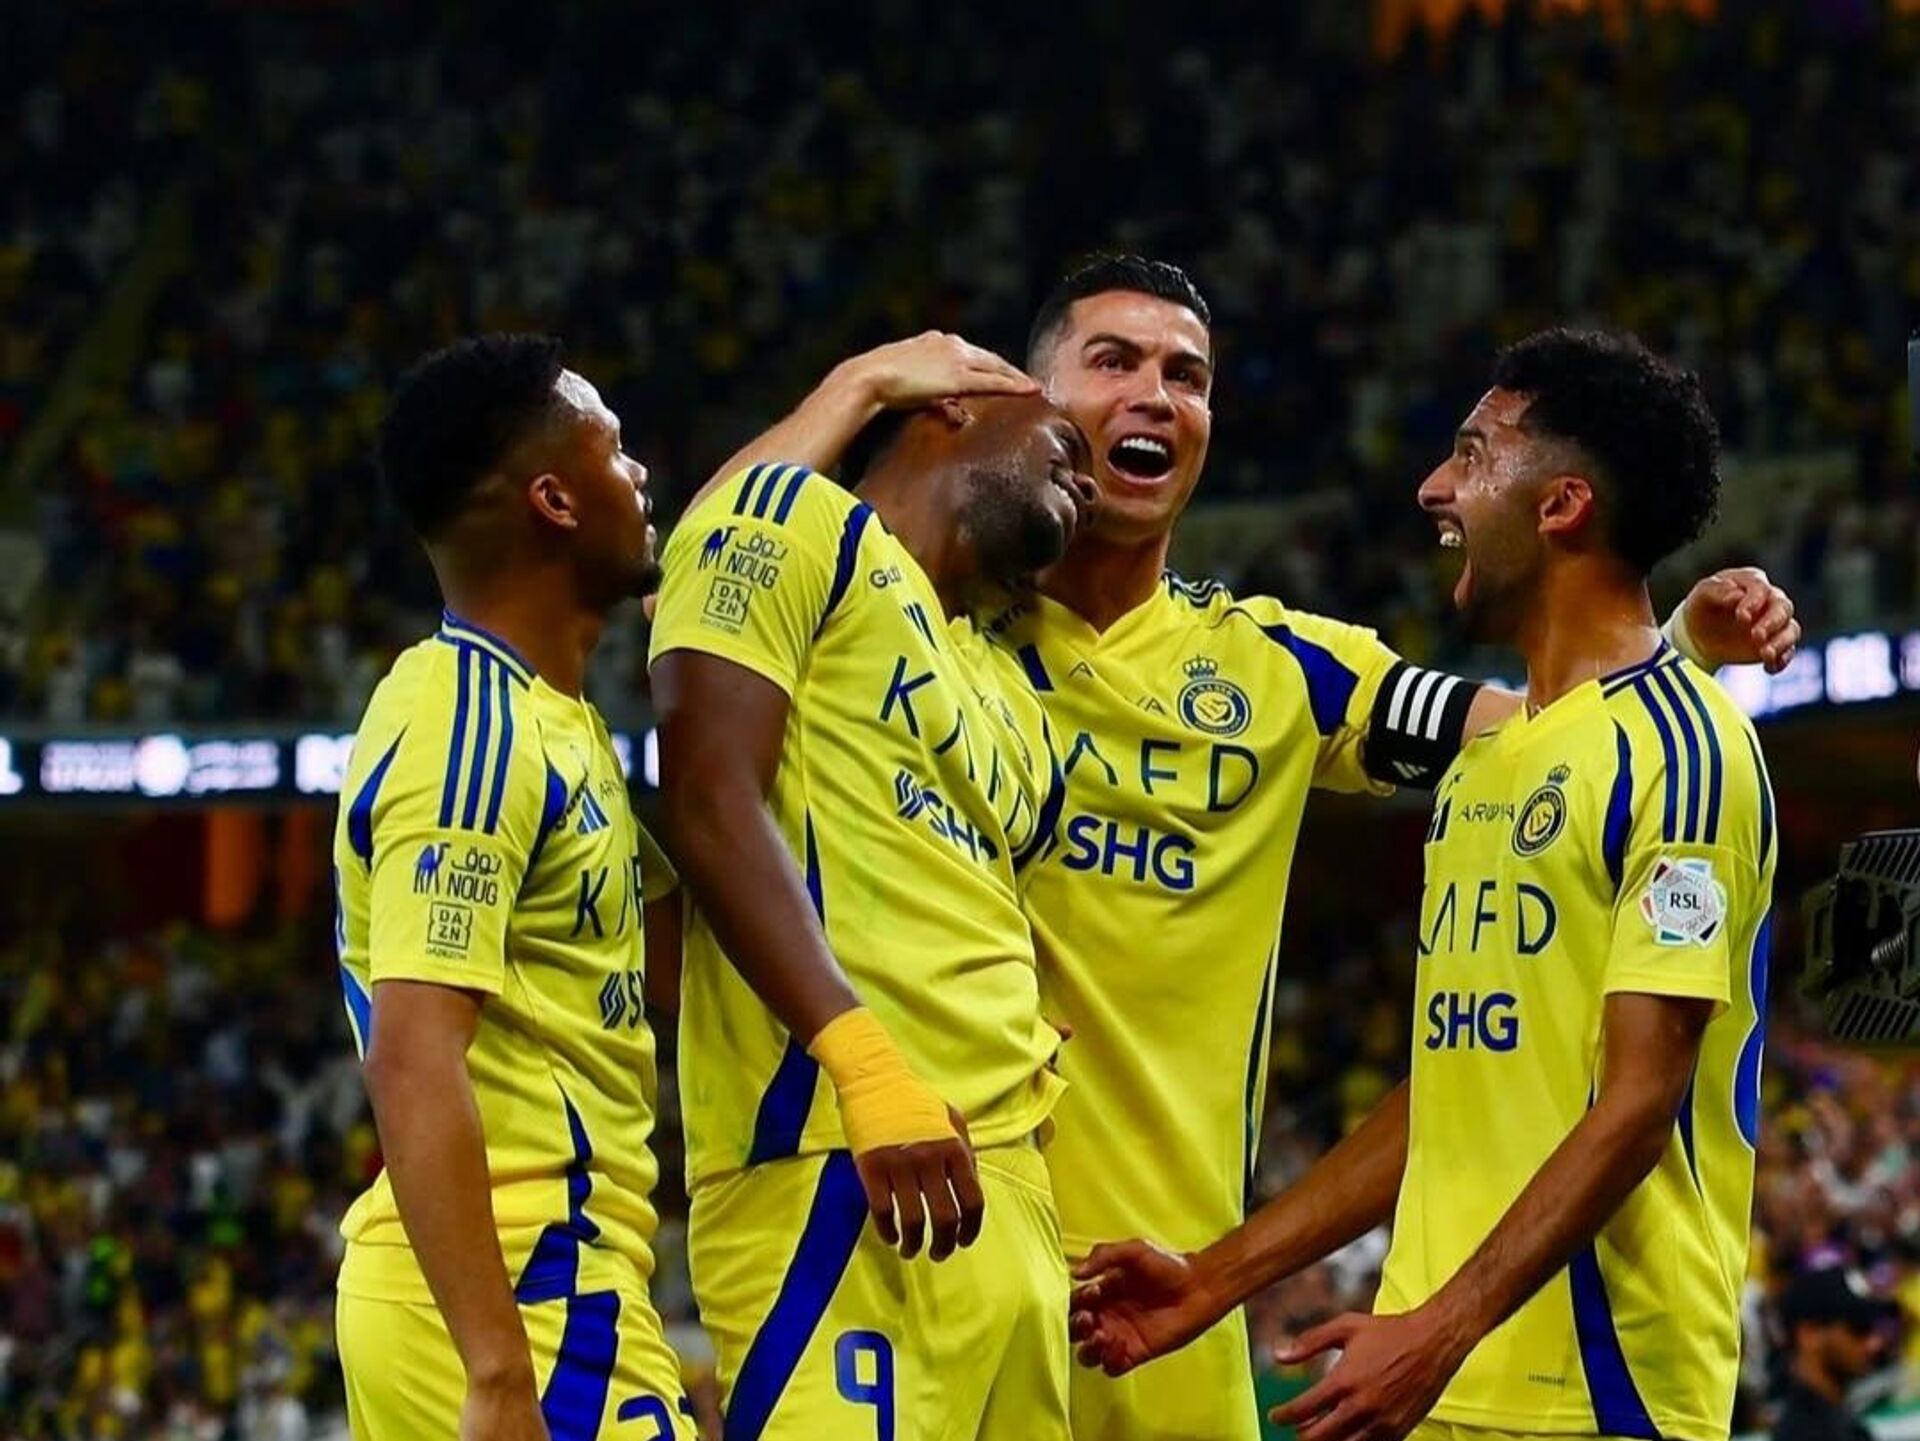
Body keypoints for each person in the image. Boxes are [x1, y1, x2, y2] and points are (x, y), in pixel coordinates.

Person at [685, 258, 1801, 1441]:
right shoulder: (927, 633)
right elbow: (720, 576)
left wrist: (1672, 650)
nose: (1155, 395)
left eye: (1189, 376)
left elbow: (1551, 739)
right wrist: (859, 388)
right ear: (1022, 399)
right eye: (1113, 361)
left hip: (1164, 1301)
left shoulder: (1281, 670)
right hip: (933, 1234)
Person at [1072, 328, 1778, 1441]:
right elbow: (1448, 1090)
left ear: (1561, 506)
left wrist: (1441, 1329)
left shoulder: (1688, 752)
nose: (1434, 487)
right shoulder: (1488, 763)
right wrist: (1214, 1278)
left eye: (1472, 453)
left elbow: (1639, 1102)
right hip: (1433, 1369)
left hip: (1595, 1396)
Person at [647, 393, 1096, 1440]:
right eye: (1063, 443)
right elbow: (708, 793)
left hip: (1014, 1199)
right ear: (955, 407)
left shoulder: (1013, 693)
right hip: (841, 1162)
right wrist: (866, 1066)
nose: (1083, 478)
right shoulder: (799, 518)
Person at [332, 334, 694, 1440]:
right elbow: (412, 1050)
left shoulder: (558, 722)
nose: (641, 474)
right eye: (615, 449)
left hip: (566, 1278)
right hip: (525, 1291)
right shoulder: (467, 722)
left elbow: (685, 968)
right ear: (554, 499)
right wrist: (496, 1371)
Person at [1772, 1268, 1896, 1441]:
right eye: (1858, 1328)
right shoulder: (1806, 1434)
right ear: (1809, 1334)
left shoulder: (1843, 1424)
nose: (1874, 1343)